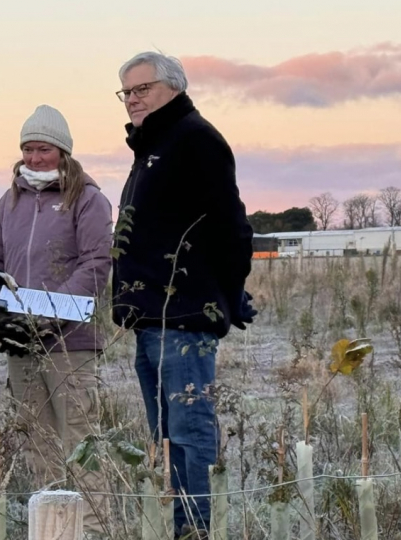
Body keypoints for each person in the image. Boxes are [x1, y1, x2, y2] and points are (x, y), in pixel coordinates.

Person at [110, 52, 256, 538]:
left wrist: (227, 294)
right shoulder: (153, 145)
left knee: (190, 436)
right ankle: (180, 527)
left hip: (184, 318)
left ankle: (199, 529)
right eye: (126, 92)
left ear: (173, 87)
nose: (132, 99)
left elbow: (231, 227)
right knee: (165, 437)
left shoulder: (195, 139)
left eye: (142, 89)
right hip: (152, 319)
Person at [0, 105, 113, 535]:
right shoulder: (9, 200)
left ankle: (92, 530)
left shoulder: (88, 199)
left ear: (62, 150)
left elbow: (96, 263)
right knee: (37, 441)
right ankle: (53, 529)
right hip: (22, 345)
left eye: (43, 149)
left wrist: (49, 314)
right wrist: (0, 315)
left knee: (80, 441)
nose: (34, 158)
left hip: (70, 343)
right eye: (27, 149)